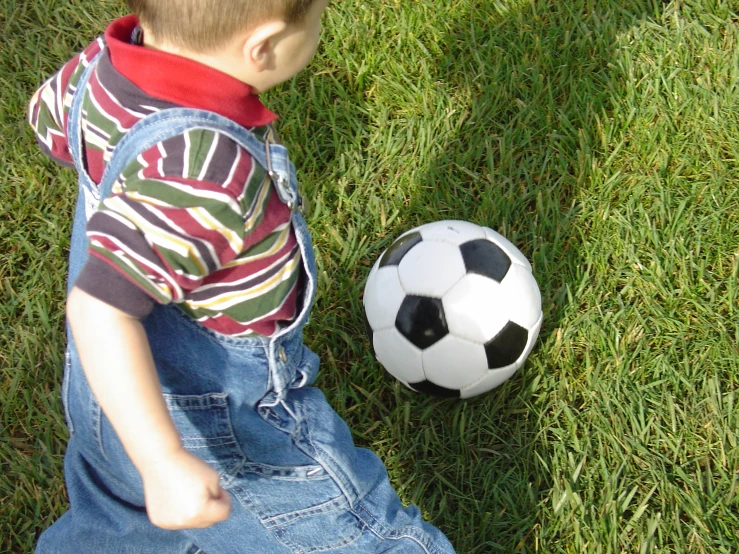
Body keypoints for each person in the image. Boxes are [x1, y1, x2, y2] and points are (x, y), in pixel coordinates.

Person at [29, 0, 456, 552]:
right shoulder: (208, 171)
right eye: (317, 18)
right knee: (366, 537)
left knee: (120, 526)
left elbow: (47, 118)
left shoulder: (100, 67)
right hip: (227, 433)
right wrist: (162, 460)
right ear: (265, 45)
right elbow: (99, 310)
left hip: (103, 404)